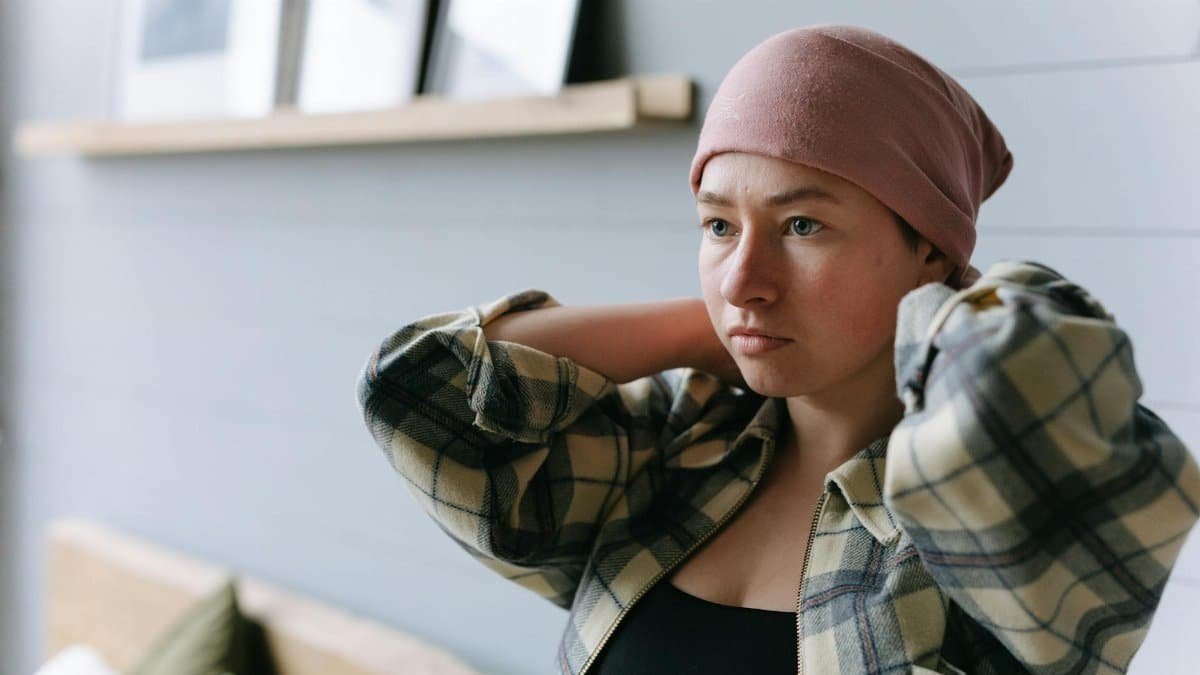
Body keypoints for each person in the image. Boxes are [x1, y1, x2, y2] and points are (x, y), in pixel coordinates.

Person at [355, 24, 1200, 675]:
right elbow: (415, 388)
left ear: (933, 250)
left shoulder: (987, 507)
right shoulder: (676, 449)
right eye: (720, 224)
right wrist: (710, 327)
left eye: (803, 225)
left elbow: (1031, 363)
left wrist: (918, 308)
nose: (745, 276)